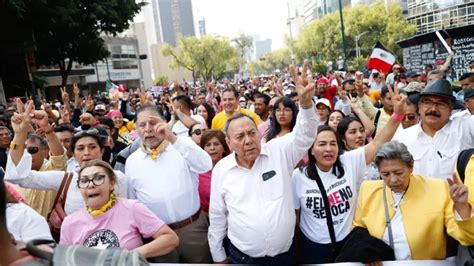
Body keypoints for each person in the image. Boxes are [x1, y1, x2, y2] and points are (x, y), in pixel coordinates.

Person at [208, 61, 318, 264]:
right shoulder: (222, 170)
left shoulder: (279, 151)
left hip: (285, 256)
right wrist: (218, 256)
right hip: (243, 258)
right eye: (240, 137)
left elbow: (306, 134)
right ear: (229, 143)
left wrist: (305, 104)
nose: (248, 140)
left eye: (252, 133)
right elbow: (217, 215)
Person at [292, 85, 406, 264]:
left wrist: (398, 115)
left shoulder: (350, 161)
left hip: (348, 243)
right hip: (313, 247)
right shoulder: (298, 177)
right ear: (311, 150)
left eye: (333, 143)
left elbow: (377, 143)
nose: (328, 149)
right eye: (321, 144)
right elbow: (296, 219)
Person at [353, 141, 474, 260]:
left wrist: (462, 206)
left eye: (398, 173)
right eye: (385, 174)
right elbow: (358, 231)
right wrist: (368, 253)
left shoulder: (438, 189)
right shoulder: (368, 190)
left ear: (411, 166)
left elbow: (467, 237)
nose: (393, 180)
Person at [5, 101, 128, 216]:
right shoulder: (66, 179)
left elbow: (129, 214)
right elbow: (20, 177)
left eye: (92, 147)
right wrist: (19, 133)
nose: (86, 153)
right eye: (80, 148)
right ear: (73, 154)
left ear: (101, 151)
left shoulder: (118, 177)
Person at [125, 105, 213, 263]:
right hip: (158, 236)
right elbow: (133, 201)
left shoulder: (182, 144)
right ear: (136, 129)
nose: (148, 129)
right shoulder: (132, 161)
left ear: (164, 122)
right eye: (142, 125)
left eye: (153, 123)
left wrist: (171, 137)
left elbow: (205, 165)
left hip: (193, 229)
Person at [61, 160, 178, 258]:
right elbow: (63, 260)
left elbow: (170, 238)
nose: (90, 185)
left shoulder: (132, 208)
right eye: (84, 181)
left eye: (98, 178)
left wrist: (128, 257)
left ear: (112, 183)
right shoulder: (69, 222)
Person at [393, 79, 474, 179]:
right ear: (419, 106)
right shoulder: (403, 138)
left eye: (441, 104)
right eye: (427, 102)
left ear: (451, 109)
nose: (433, 109)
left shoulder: (464, 127)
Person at [198, 130, 230, 214]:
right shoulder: (198, 171)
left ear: (224, 147)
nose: (212, 148)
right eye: (208, 145)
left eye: (216, 144)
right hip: (205, 218)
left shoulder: (232, 168)